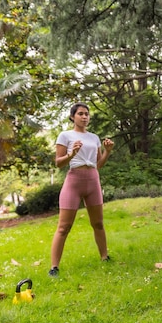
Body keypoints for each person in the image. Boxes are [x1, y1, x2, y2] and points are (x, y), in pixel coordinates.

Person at [49, 103, 114, 277]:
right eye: (80, 114)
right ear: (72, 117)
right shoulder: (65, 135)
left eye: (87, 114)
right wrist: (71, 154)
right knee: (64, 227)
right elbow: (58, 162)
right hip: (74, 182)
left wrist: (107, 152)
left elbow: (98, 164)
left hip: (93, 181)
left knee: (98, 223)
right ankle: (54, 267)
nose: (84, 117)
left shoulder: (94, 138)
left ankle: (104, 257)